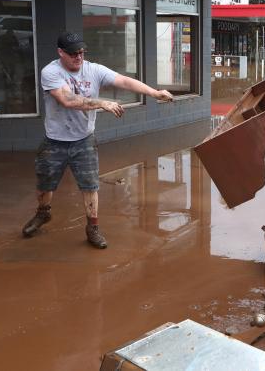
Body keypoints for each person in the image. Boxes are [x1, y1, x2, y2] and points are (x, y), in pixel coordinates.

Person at [22, 32, 173, 248]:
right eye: (73, 53)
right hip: (54, 140)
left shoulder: (93, 70)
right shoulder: (50, 72)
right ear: (60, 53)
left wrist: (154, 92)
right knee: (44, 185)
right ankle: (43, 213)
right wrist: (102, 103)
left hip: (84, 140)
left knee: (90, 186)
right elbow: (67, 99)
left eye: (81, 52)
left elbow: (124, 81)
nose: (78, 57)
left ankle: (92, 227)